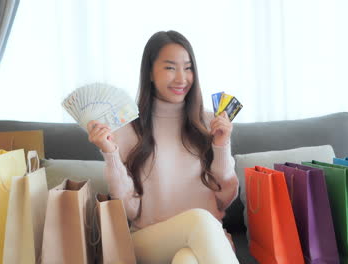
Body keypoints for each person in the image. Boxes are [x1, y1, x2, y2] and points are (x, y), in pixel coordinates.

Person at [87, 30, 239, 264]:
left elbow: (225, 197)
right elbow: (129, 209)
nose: (182, 78)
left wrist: (221, 146)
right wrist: (110, 155)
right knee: (199, 220)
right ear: (149, 72)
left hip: (202, 236)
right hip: (148, 240)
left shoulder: (211, 123)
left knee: (186, 260)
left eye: (188, 68)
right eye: (170, 68)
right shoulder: (126, 130)